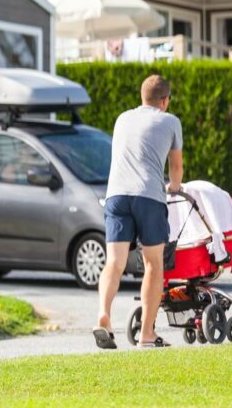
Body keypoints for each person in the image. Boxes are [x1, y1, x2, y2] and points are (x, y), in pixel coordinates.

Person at [92, 74, 183, 349]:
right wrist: (174, 187)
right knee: (154, 264)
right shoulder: (171, 122)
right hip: (148, 196)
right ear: (165, 100)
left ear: (141, 97)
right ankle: (146, 334)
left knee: (114, 263)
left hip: (116, 196)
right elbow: (175, 168)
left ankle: (103, 315)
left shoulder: (122, 118)